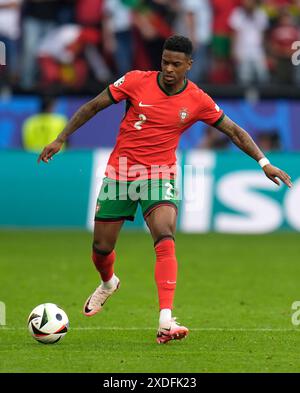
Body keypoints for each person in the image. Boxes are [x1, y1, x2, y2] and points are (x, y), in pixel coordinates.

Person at [38, 35, 292, 344]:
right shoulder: (135, 81)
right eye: (164, 62)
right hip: (121, 172)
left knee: (164, 234)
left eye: (175, 64)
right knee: (101, 249)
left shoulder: (197, 99)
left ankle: (165, 320)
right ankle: (108, 282)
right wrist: (60, 138)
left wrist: (264, 163)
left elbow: (234, 131)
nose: (168, 69)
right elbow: (93, 107)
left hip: (160, 174)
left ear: (189, 65)